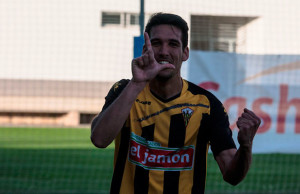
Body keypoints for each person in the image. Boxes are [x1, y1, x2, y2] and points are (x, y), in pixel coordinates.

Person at [91, 13, 261, 194]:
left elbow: (231, 175)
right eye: (156, 43)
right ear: (145, 50)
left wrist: (245, 146)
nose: (164, 51)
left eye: (173, 44)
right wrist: (137, 83)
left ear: (185, 53)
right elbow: (99, 139)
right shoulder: (125, 90)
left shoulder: (206, 105)